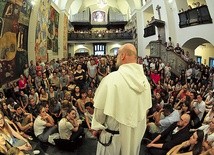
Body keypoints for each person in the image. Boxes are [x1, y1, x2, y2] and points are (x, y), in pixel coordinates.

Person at [91, 43, 152, 155]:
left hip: (112, 140)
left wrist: (98, 127)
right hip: (133, 139)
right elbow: (145, 110)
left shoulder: (111, 79)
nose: (116, 58)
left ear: (123, 56)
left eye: (118, 55)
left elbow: (99, 115)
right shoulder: (145, 82)